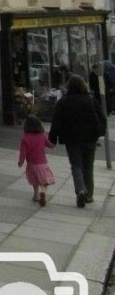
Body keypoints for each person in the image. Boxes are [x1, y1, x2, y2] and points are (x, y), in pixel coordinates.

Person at [48, 73, 106, 207]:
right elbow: (101, 119)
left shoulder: (63, 102)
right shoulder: (91, 100)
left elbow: (56, 122)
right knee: (88, 166)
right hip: (90, 139)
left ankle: (81, 190)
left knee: (76, 165)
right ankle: (89, 195)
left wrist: (52, 139)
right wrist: (98, 134)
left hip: (72, 139)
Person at [18, 114, 55, 206]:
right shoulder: (42, 135)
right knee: (44, 181)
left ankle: (35, 195)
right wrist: (54, 143)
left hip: (31, 164)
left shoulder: (25, 138)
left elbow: (23, 153)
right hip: (42, 163)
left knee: (35, 181)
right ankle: (43, 192)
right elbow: (50, 145)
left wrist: (20, 162)